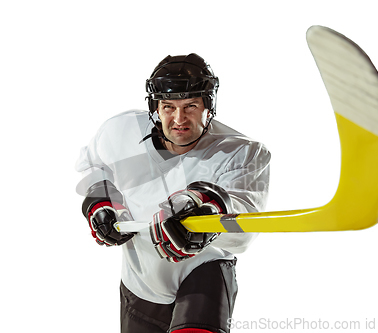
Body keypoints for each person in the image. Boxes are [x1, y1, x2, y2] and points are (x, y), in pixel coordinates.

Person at [75, 53, 270, 333]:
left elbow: (245, 228)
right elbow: (94, 165)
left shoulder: (241, 152)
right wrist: (102, 203)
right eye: (168, 107)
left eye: (190, 105)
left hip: (203, 273)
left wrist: (207, 210)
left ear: (208, 106)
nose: (179, 119)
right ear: (155, 107)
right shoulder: (120, 130)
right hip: (140, 281)